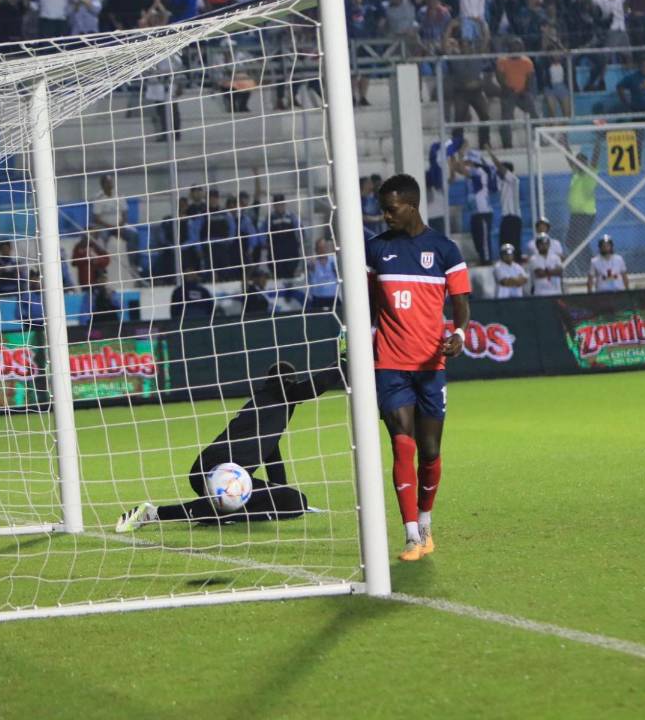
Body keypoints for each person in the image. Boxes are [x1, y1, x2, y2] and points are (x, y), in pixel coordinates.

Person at [365, 174, 470, 561]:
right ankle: (410, 534)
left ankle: (425, 522)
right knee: (401, 443)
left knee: (429, 450)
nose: (384, 215)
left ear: (411, 205)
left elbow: (460, 302)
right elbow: (363, 304)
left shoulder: (444, 249)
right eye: (382, 208)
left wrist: (458, 331)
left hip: (430, 365)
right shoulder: (374, 250)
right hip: (389, 363)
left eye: (390, 209)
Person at [114, 358, 345, 531]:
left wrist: (280, 490)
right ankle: (155, 513)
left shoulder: (262, 408)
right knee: (293, 503)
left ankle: (214, 514)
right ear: (288, 382)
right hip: (224, 471)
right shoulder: (280, 394)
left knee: (293, 501)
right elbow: (314, 386)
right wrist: (342, 364)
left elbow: (271, 452)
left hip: (208, 467)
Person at [564, 147, 602, 276]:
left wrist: (598, 143)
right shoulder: (576, 174)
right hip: (575, 214)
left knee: (581, 241)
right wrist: (564, 145)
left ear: (586, 163)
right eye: (577, 161)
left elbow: (595, 160)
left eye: (581, 162)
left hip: (585, 214)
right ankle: (584, 266)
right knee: (570, 242)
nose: (578, 164)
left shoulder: (590, 174)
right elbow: (569, 159)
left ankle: (591, 267)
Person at [265, 194, 303, 279]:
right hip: (276, 256)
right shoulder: (269, 219)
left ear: (284, 204)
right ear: (273, 205)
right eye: (277, 204)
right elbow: (263, 235)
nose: (279, 206)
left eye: (281, 204)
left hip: (291, 255)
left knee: (290, 279)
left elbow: (301, 233)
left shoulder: (292, 217)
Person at [306, 239, 339, 312]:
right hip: (318, 299)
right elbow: (309, 265)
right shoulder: (312, 262)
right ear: (316, 249)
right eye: (320, 247)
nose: (323, 249)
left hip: (333, 297)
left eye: (324, 247)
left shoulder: (333, 260)